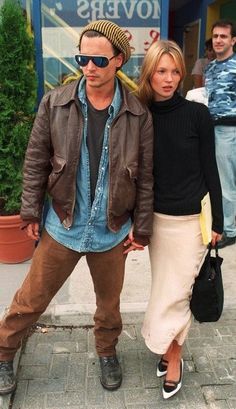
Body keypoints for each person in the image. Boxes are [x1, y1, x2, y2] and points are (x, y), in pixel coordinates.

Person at [0, 19, 154, 395]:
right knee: (30, 299)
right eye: (82, 58)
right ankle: (3, 353)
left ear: (118, 60)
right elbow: (36, 159)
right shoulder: (55, 103)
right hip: (63, 224)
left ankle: (106, 352)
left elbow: (147, 177)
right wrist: (31, 211)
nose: (88, 67)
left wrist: (142, 227)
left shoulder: (137, 114)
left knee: (109, 307)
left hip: (111, 228)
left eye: (98, 60)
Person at [138, 40, 223, 399]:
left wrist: (218, 221)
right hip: (157, 222)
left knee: (177, 295)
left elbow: (211, 169)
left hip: (192, 222)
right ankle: (166, 343)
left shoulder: (197, 115)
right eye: (162, 70)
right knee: (164, 290)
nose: (169, 78)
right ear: (150, 73)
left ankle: (173, 356)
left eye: (175, 71)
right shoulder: (139, 116)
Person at [205, 19, 236, 248]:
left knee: (226, 182)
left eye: (223, 36)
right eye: (215, 36)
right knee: (216, 179)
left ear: (233, 40)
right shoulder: (211, 67)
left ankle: (230, 230)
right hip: (211, 128)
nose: (218, 40)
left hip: (230, 130)